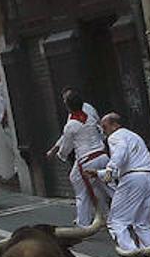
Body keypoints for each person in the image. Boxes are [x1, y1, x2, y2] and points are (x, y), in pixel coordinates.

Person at [85, 114, 150, 257]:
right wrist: (99, 173)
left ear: (114, 125)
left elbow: (121, 154)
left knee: (116, 221)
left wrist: (110, 169)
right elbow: (127, 160)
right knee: (142, 222)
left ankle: (131, 253)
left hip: (133, 179)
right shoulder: (134, 136)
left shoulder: (115, 137)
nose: (103, 132)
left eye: (104, 127)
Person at [48, 90, 112, 229]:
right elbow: (99, 127)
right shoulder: (89, 116)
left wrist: (61, 155)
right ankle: (111, 215)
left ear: (68, 106)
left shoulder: (71, 125)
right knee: (107, 187)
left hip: (86, 160)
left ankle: (83, 223)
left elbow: (66, 146)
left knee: (81, 189)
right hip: (102, 155)